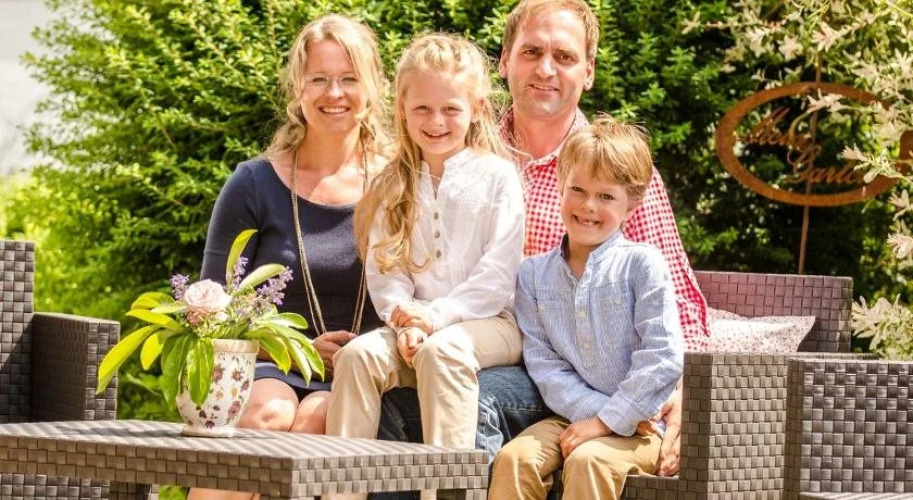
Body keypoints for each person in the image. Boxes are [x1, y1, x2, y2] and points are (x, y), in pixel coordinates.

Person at [380, 0, 707, 481]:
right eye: (531, 52)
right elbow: (397, 249)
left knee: (473, 396)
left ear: (589, 72)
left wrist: (685, 389)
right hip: (457, 337)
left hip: (560, 367)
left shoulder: (610, 171)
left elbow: (677, 299)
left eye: (565, 57)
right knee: (391, 397)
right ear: (504, 61)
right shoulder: (456, 147)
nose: (546, 69)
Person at [191, 14, 388, 500]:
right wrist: (294, 349)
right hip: (266, 365)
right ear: (298, 88)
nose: (334, 93)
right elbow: (211, 312)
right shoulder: (253, 183)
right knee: (268, 414)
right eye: (319, 79)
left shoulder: (397, 182)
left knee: (318, 419)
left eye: (349, 78)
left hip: (359, 374)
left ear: (371, 87)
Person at [324, 33, 525, 499]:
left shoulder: (497, 177)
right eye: (422, 109)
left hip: (490, 323)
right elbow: (386, 271)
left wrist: (432, 319)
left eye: (450, 109)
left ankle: (448, 492)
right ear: (402, 109)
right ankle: (339, 492)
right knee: (356, 356)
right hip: (410, 327)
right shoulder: (391, 183)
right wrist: (404, 321)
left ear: (477, 108)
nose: (436, 121)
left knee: (443, 352)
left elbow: (497, 278)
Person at [488, 117, 684, 499]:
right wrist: (595, 416)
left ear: (633, 203)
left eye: (606, 196)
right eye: (577, 189)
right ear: (561, 185)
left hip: (642, 424)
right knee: (515, 459)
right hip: (571, 416)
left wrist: (611, 419)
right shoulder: (533, 275)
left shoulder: (642, 265)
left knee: (589, 460)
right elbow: (545, 365)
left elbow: (662, 357)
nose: (588, 206)